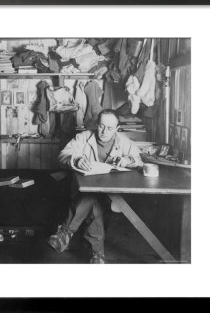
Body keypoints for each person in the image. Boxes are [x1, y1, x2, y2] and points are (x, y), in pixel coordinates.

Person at [48, 109, 143, 263]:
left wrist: (129, 160)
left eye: (110, 128)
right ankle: (98, 255)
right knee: (94, 201)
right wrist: (76, 159)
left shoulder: (123, 141)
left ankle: (65, 233)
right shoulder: (84, 137)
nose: (104, 131)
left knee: (94, 198)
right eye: (101, 126)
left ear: (117, 129)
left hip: (112, 195)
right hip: (86, 192)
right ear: (97, 124)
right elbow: (63, 155)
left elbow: (139, 159)